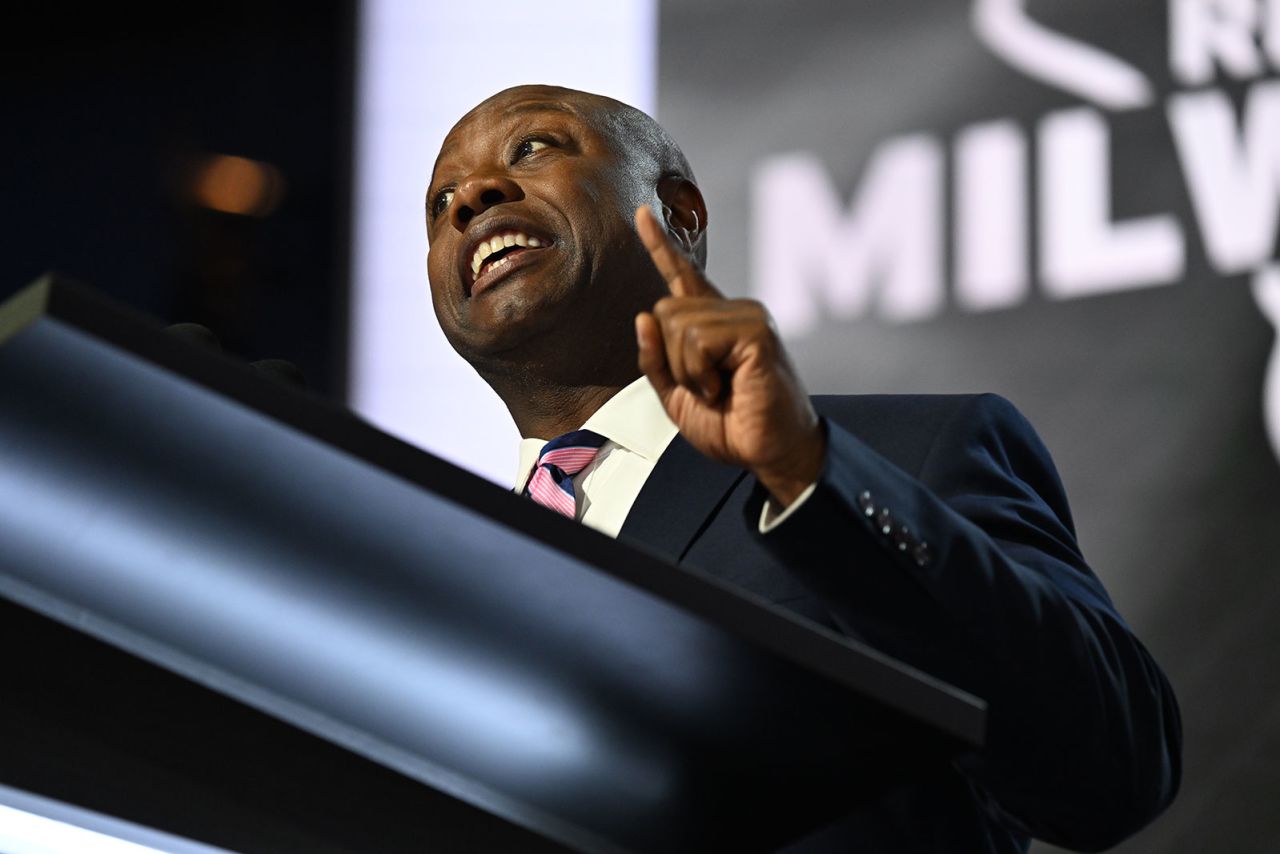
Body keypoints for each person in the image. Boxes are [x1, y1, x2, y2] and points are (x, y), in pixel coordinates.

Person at [424, 84, 1180, 852]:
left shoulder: (900, 457)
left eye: (533, 148)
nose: (472, 197)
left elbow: (1112, 770)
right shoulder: (439, 593)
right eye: (440, 201)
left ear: (680, 214)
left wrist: (808, 473)